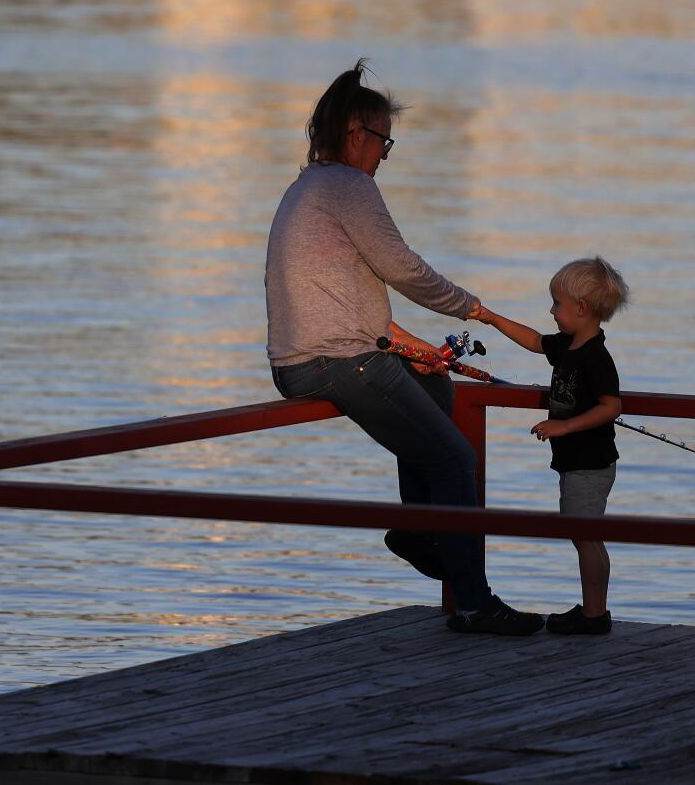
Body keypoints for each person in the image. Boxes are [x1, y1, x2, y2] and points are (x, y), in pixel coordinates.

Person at [265, 60, 544, 636]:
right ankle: (473, 603)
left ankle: (420, 530)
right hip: (336, 361)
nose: (384, 157)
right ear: (355, 136)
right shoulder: (348, 185)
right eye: (384, 143)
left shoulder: (307, 188)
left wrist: (410, 345)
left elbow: (346, 299)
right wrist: (476, 309)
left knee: (432, 381)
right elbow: (404, 270)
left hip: (319, 355)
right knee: (456, 460)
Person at [472, 257, 629, 636]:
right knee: (585, 536)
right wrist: (490, 317)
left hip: (589, 463)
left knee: (585, 537)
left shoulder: (595, 357)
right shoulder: (568, 346)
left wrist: (564, 426)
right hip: (576, 462)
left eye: (557, 304)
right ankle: (594, 610)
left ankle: (594, 615)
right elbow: (532, 340)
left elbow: (612, 406)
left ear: (582, 309)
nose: (552, 310)